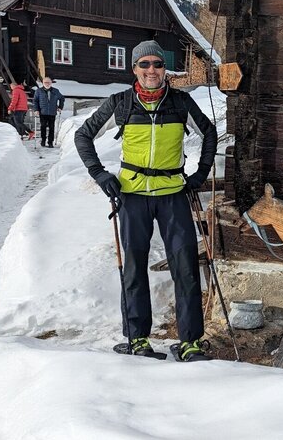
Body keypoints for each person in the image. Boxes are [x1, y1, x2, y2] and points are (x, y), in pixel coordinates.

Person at [75, 40, 217, 362]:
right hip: (132, 196)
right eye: (145, 65)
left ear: (164, 69)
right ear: (135, 69)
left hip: (173, 195)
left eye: (157, 64)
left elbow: (209, 133)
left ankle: (191, 343)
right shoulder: (121, 104)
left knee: (185, 268)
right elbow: (83, 135)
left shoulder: (180, 103)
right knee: (134, 268)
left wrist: (200, 173)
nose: (152, 70)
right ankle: (138, 340)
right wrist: (100, 175)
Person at [33, 77, 65, 147]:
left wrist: (60, 107)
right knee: (43, 127)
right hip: (43, 112)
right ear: (43, 83)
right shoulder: (38, 91)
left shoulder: (56, 91)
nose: (47, 84)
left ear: (51, 83)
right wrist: (36, 110)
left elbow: (62, 98)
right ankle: (43, 141)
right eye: (45, 82)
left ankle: (50, 142)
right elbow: (35, 101)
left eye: (49, 82)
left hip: (52, 112)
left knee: (51, 127)